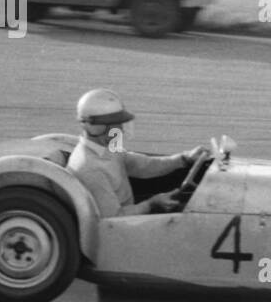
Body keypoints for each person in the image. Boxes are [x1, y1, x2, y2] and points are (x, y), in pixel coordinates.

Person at [66, 89, 209, 217]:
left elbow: (144, 166)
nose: (120, 129)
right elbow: (113, 219)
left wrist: (183, 158)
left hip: (132, 212)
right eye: (115, 124)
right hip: (122, 228)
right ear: (95, 127)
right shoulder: (90, 168)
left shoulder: (108, 147)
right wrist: (151, 204)